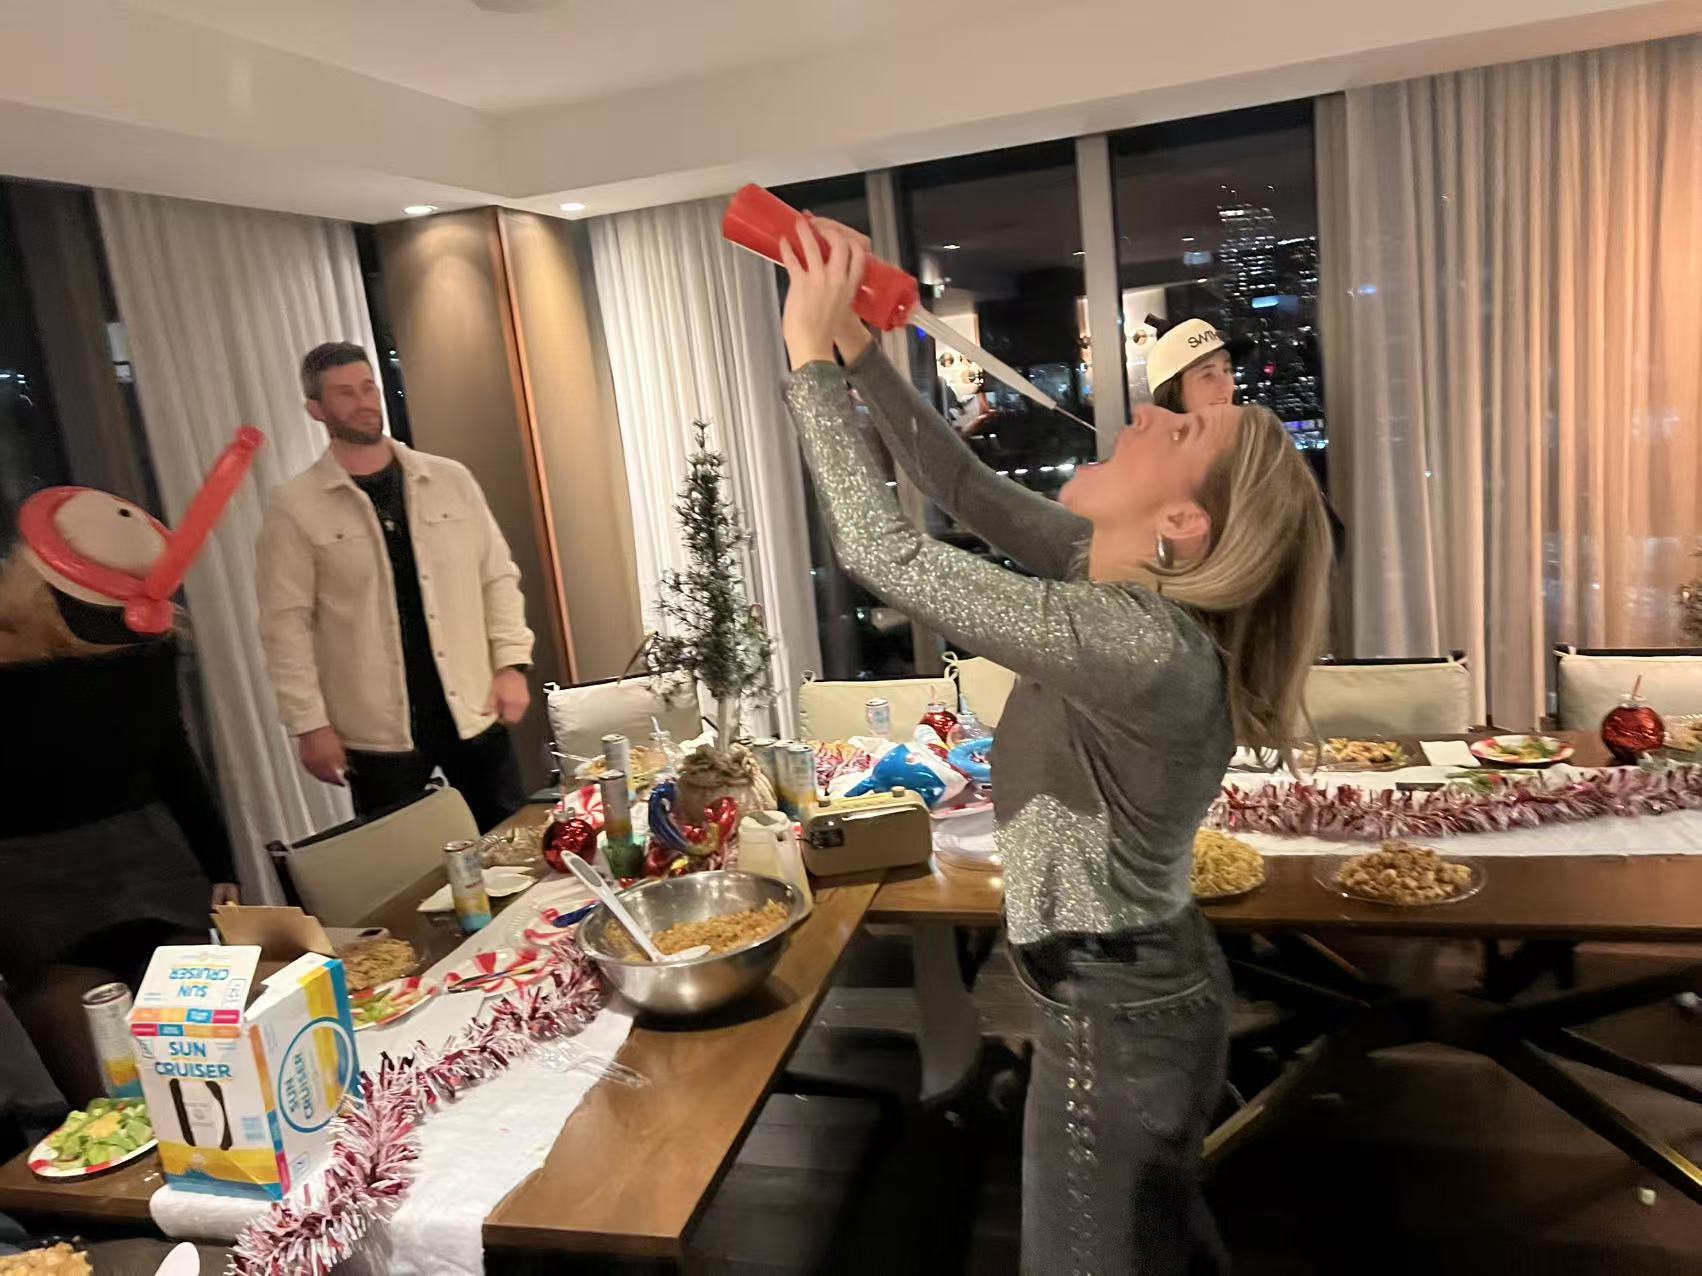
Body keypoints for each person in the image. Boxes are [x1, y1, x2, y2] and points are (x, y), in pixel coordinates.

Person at [778, 220, 1332, 1273]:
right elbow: (960, 487)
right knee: (1156, 1246)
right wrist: (857, 350)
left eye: (1175, 431)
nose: (1142, 416)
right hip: (1137, 997)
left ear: (1182, 522)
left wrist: (808, 363)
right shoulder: (1117, 583)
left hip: (1114, 1018)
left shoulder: (1137, 640)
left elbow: (886, 554)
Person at [0, 482, 242, 1104]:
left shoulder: (143, 649)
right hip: (33, 892)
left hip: (150, 866)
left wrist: (222, 865)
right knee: (117, 1100)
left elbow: (172, 759)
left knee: (212, 1070)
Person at [257, 343, 534, 832]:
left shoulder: (450, 480)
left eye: (368, 388)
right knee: (401, 861)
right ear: (316, 409)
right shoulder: (295, 506)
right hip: (375, 731)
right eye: (345, 393)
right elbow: (285, 626)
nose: (363, 402)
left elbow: (497, 576)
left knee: (509, 841)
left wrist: (511, 664)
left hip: (473, 705)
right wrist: (309, 724)